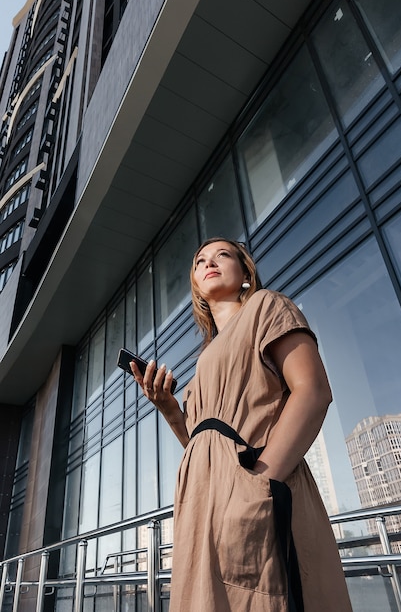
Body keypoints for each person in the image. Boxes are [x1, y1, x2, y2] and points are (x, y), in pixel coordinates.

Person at [130, 237, 352, 612]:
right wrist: (169, 408)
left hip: (257, 492)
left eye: (223, 255)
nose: (209, 262)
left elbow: (312, 391)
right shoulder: (205, 359)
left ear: (245, 272)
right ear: (197, 287)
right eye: (200, 260)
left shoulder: (267, 306)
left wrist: (259, 484)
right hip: (205, 508)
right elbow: (205, 446)